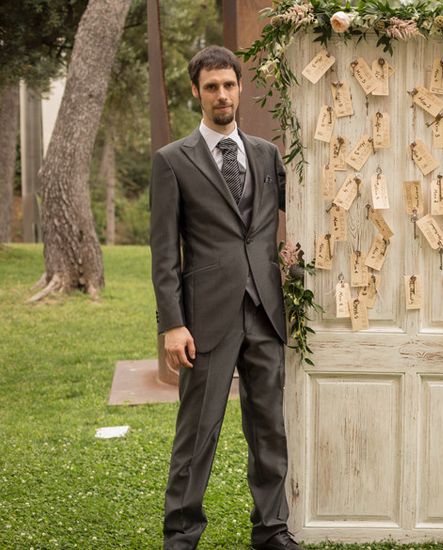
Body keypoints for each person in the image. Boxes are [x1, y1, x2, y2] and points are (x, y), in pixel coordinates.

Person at [150, 46, 301, 550]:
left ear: (241, 88)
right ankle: (181, 534)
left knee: (269, 432)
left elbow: (308, 204)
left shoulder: (267, 154)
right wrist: (172, 323)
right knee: (198, 434)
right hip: (206, 317)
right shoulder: (172, 162)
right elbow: (164, 251)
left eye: (229, 85)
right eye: (211, 86)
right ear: (196, 91)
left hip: (265, 309)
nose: (222, 95)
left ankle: (272, 529)